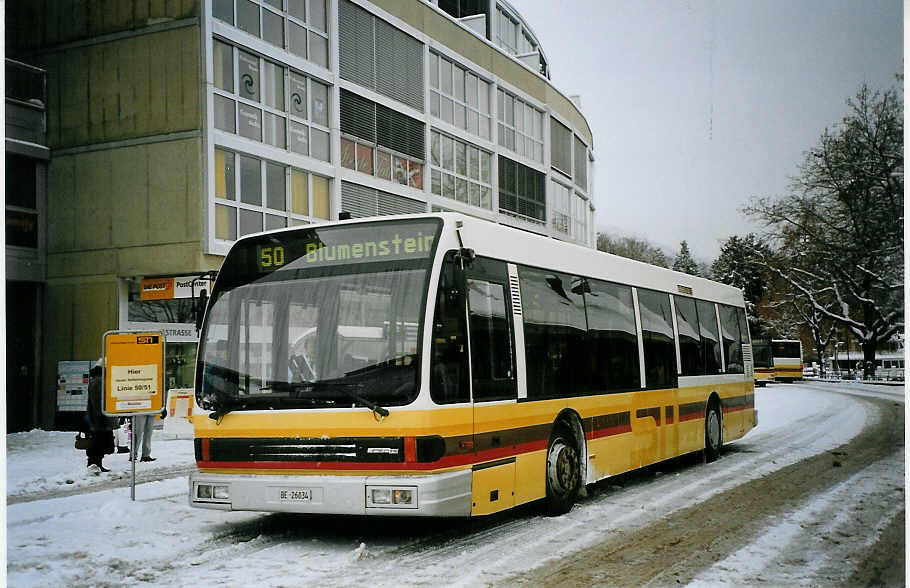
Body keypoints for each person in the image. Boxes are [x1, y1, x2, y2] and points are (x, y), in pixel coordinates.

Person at [84, 360, 118, 473]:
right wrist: (102, 415)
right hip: (99, 418)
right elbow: (98, 402)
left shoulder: (98, 380)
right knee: (98, 442)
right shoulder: (98, 381)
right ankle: (95, 464)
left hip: (99, 417)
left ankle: (97, 464)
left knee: (99, 442)